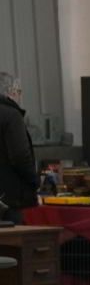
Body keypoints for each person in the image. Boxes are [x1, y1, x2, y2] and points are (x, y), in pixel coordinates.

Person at [0, 73, 38, 224]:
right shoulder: (11, 115)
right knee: (15, 244)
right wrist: (34, 181)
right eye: (20, 92)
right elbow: (20, 156)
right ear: (12, 91)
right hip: (10, 199)